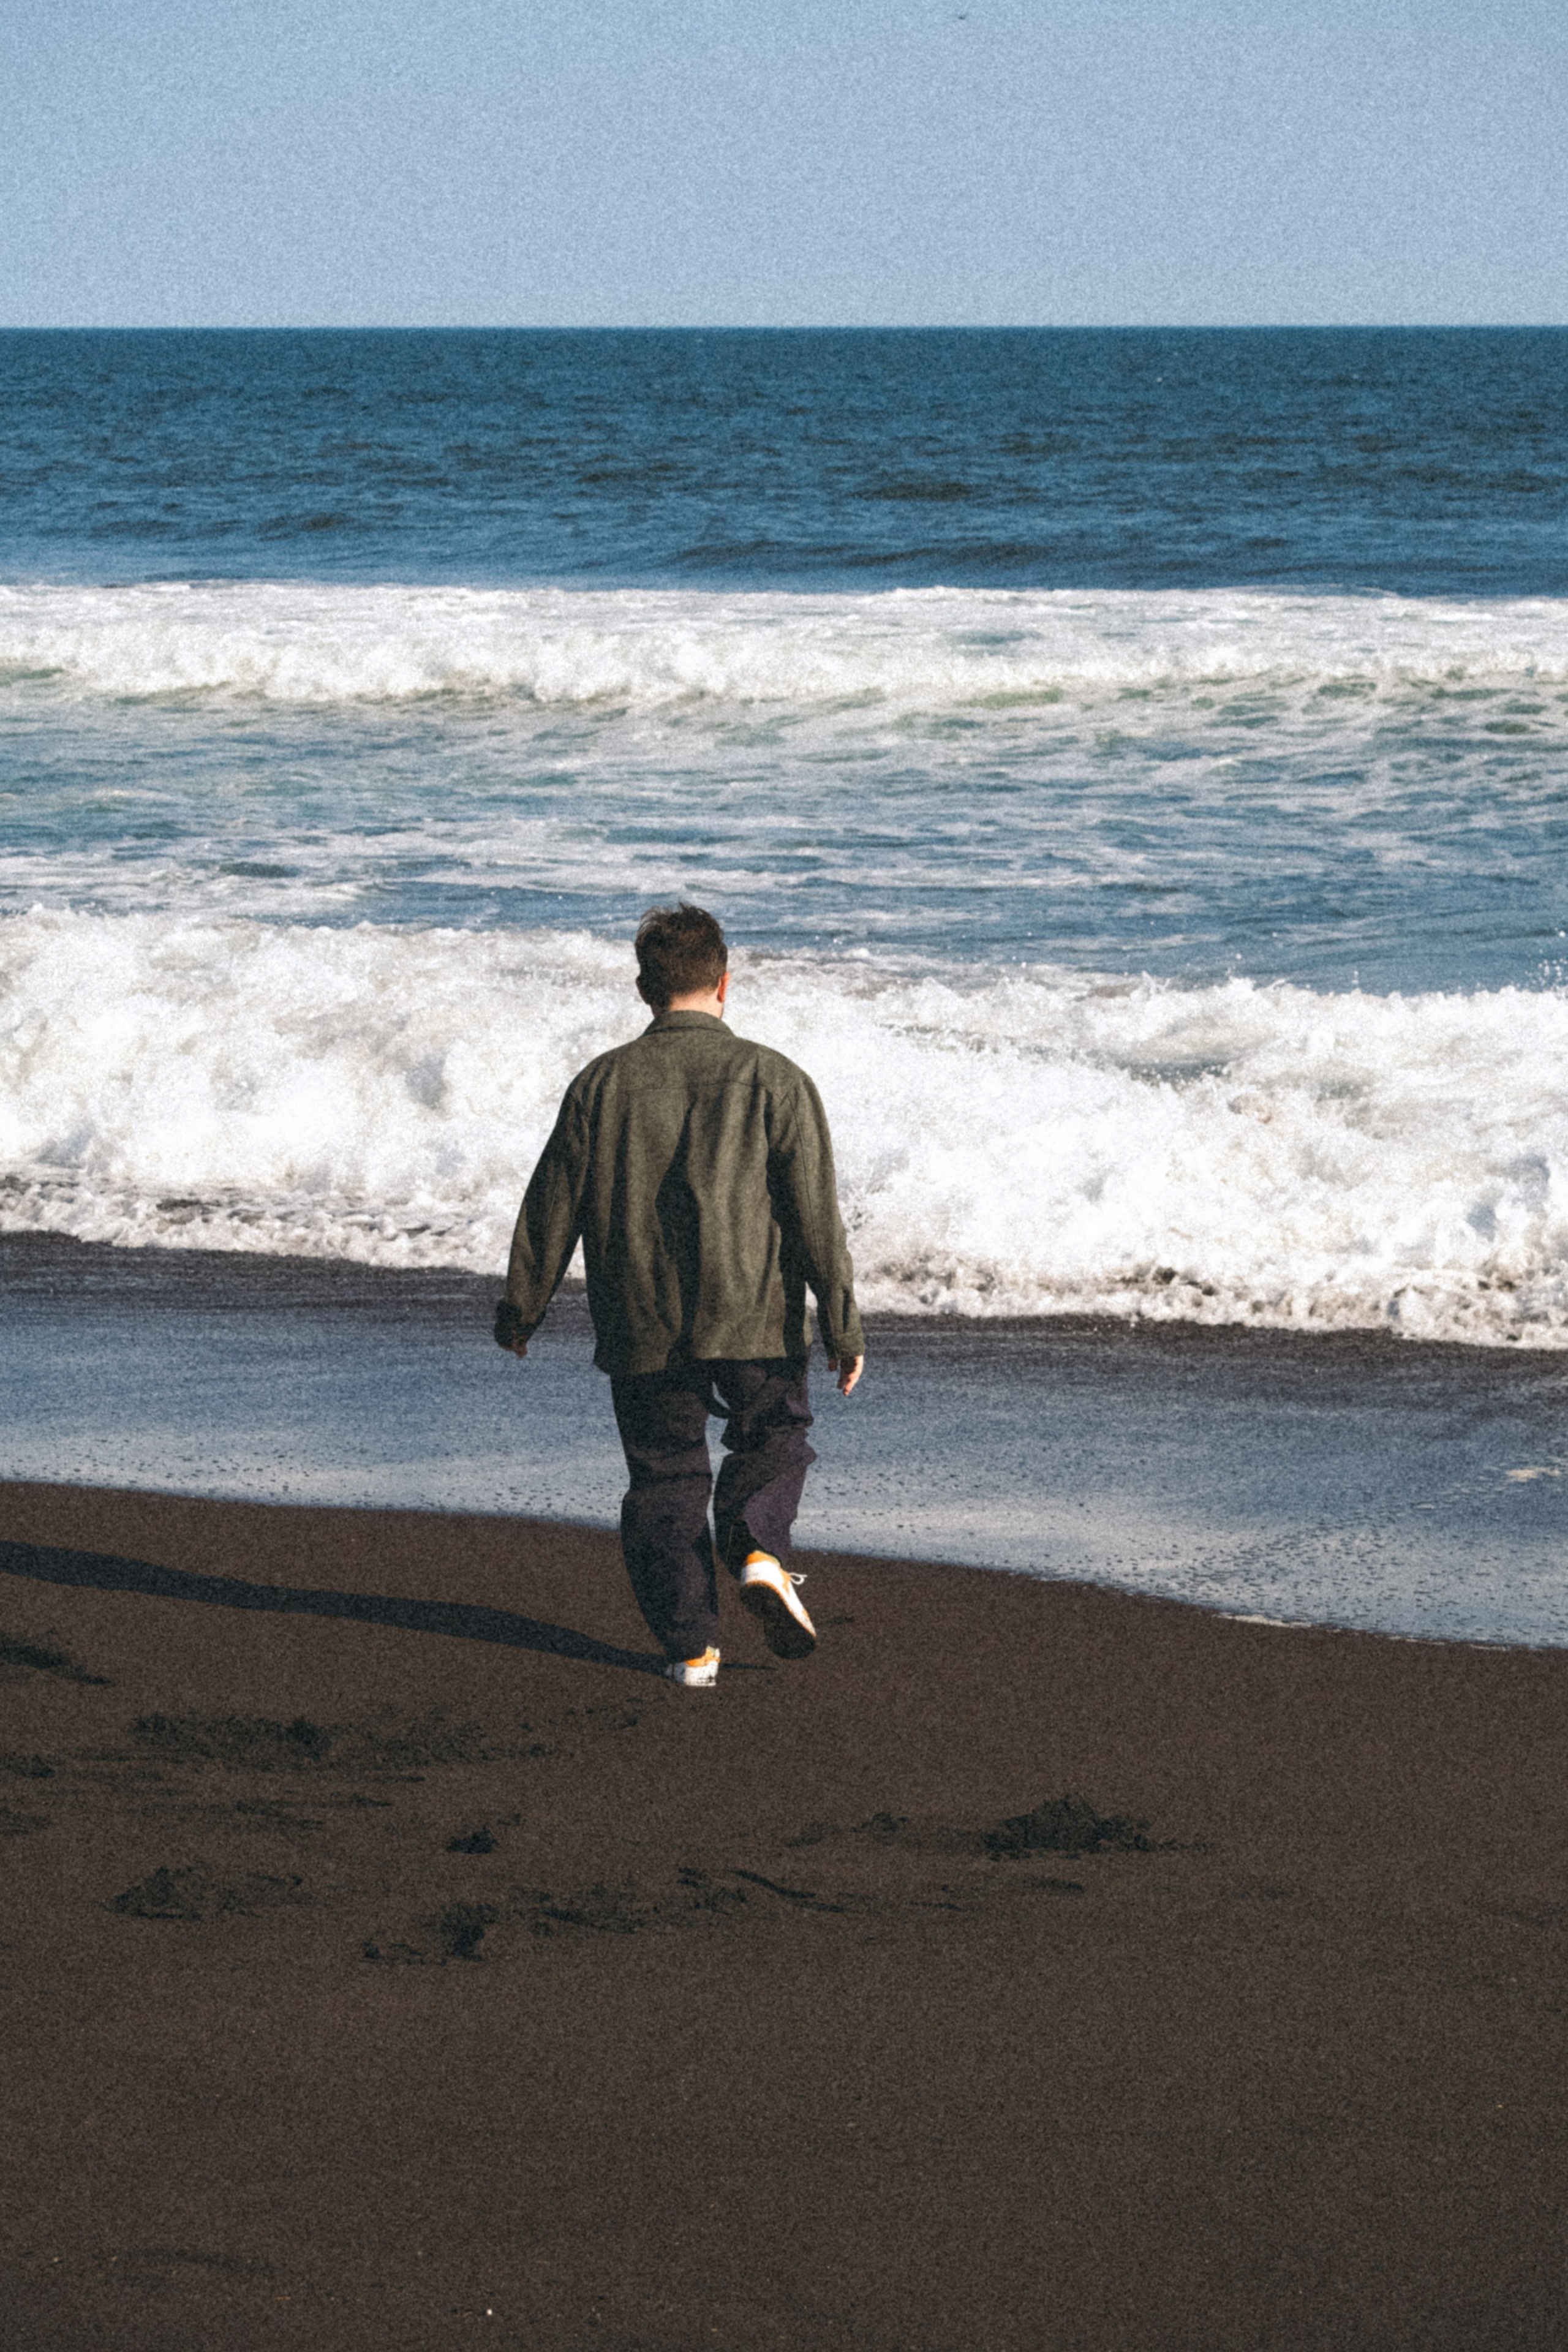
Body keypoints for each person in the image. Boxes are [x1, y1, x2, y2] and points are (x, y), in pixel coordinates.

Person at [494, 903, 865, 1689]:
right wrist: (841, 1323)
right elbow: (813, 1214)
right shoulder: (775, 1077)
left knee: (665, 1477)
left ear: (643, 990)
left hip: (642, 1317)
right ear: (725, 981)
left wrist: (521, 1307)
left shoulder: (601, 1082)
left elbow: (550, 1203)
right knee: (774, 1437)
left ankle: (694, 1650)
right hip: (756, 1311)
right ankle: (759, 1551)